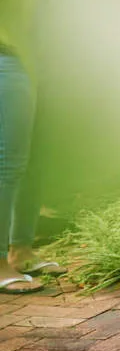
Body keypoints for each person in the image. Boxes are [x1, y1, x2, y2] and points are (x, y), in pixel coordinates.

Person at [0, 47, 59, 294]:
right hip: (7, 58)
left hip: (35, 63)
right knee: (8, 163)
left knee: (34, 161)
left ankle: (21, 249)